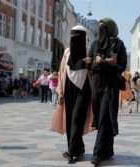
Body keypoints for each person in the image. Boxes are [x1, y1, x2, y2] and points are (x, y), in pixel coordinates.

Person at [51, 25, 94, 162]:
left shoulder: (89, 52)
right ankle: (77, 148)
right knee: (70, 120)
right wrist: (60, 91)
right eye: (72, 36)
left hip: (84, 89)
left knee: (77, 119)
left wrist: (90, 64)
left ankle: (71, 151)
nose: (74, 39)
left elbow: (93, 71)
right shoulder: (67, 52)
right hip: (69, 89)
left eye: (78, 36)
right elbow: (62, 72)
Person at [87, 18, 127, 166]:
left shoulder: (119, 44)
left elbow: (121, 66)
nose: (101, 30)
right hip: (97, 84)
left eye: (104, 27)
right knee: (100, 115)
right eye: (99, 27)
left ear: (110, 28)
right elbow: (91, 65)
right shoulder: (95, 44)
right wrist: (107, 62)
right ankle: (108, 150)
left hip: (111, 84)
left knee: (105, 115)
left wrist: (101, 62)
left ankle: (97, 154)